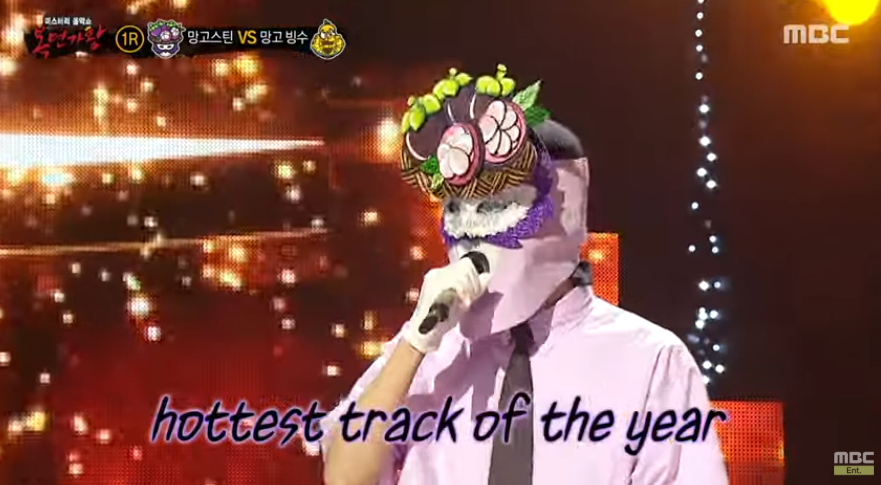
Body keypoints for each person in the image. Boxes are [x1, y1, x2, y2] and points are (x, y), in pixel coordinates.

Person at [321, 65, 729, 485]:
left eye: (496, 206)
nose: (470, 231)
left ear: (566, 213)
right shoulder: (429, 354)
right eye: (456, 209)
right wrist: (414, 344)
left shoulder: (651, 361)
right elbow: (345, 480)